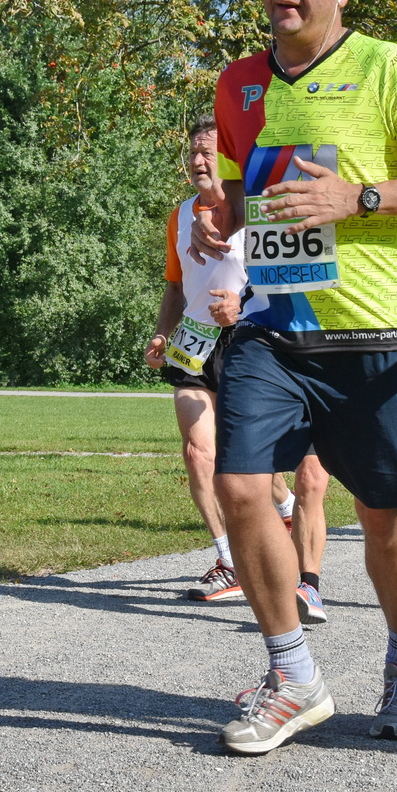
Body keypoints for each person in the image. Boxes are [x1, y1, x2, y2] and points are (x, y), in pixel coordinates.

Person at [195, 0, 397, 754]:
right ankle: (293, 674)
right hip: (271, 327)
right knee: (241, 484)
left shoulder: (387, 66)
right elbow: (254, 196)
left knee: (383, 514)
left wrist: (356, 198)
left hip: (371, 331)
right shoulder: (238, 83)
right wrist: (224, 217)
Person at [144, 118, 249, 602]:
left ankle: (286, 506)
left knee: (247, 462)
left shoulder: (254, 214)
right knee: (198, 453)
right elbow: (174, 283)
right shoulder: (180, 215)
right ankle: (228, 559)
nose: (197, 162)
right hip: (193, 346)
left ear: (228, 159)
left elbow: (282, 281)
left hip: (248, 342)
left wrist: (240, 306)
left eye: (208, 152)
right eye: (192, 154)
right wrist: (163, 333)